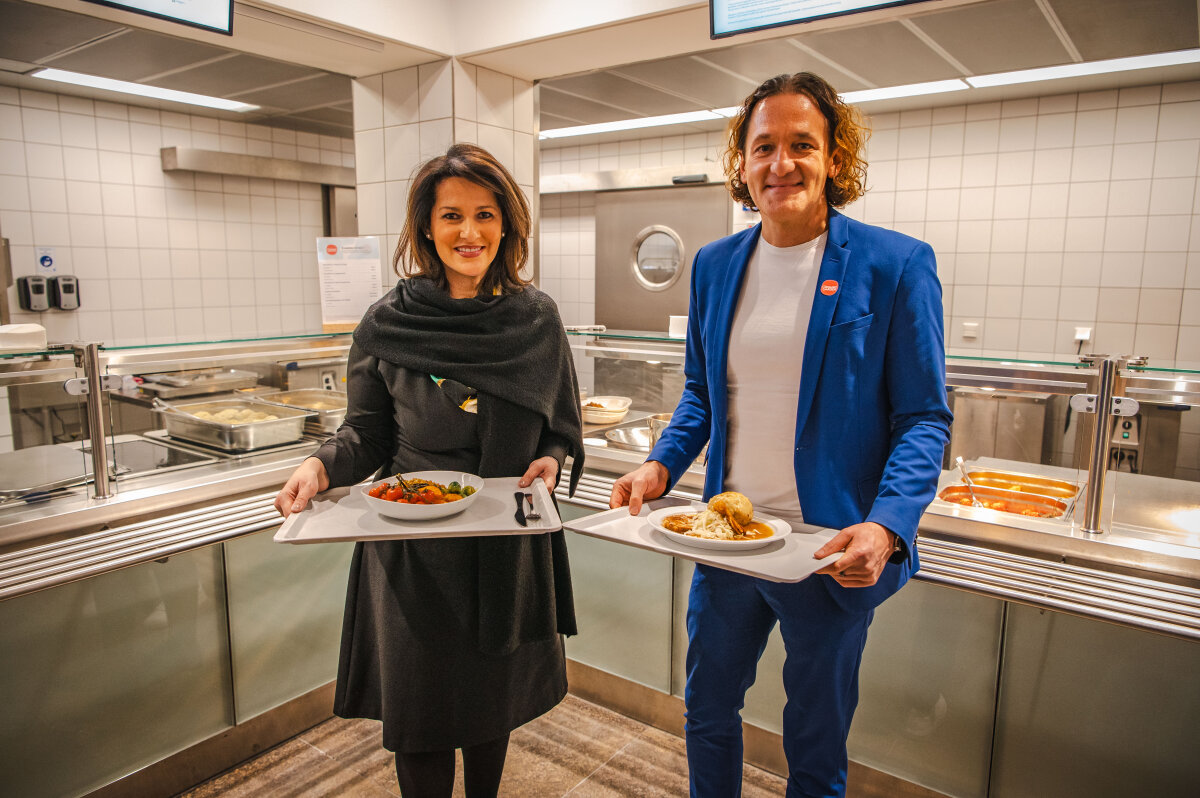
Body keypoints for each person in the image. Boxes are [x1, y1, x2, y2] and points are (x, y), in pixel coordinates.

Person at [610, 72, 952, 797]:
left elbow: (923, 417)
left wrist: (887, 526)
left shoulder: (895, 265)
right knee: (706, 711)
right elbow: (702, 394)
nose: (781, 163)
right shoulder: (715, 265)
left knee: (815, 744)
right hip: (728, 540)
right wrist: (659, 468)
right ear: (741, 161)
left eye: (803, 144)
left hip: (825, 550)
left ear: (835, 158)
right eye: (763, 146)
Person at [274, 144, 584, 798]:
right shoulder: (389, 322)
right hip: (413, 554)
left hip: (503, 547)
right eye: (451, 216)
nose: (469, 233)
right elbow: (366, 433)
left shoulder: (535, 320)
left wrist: (549, 467)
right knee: (422, 717)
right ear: (425, 227)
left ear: (506, 225)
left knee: (488, 708)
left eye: (484, 215)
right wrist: (319, 465)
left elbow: (558, 429)